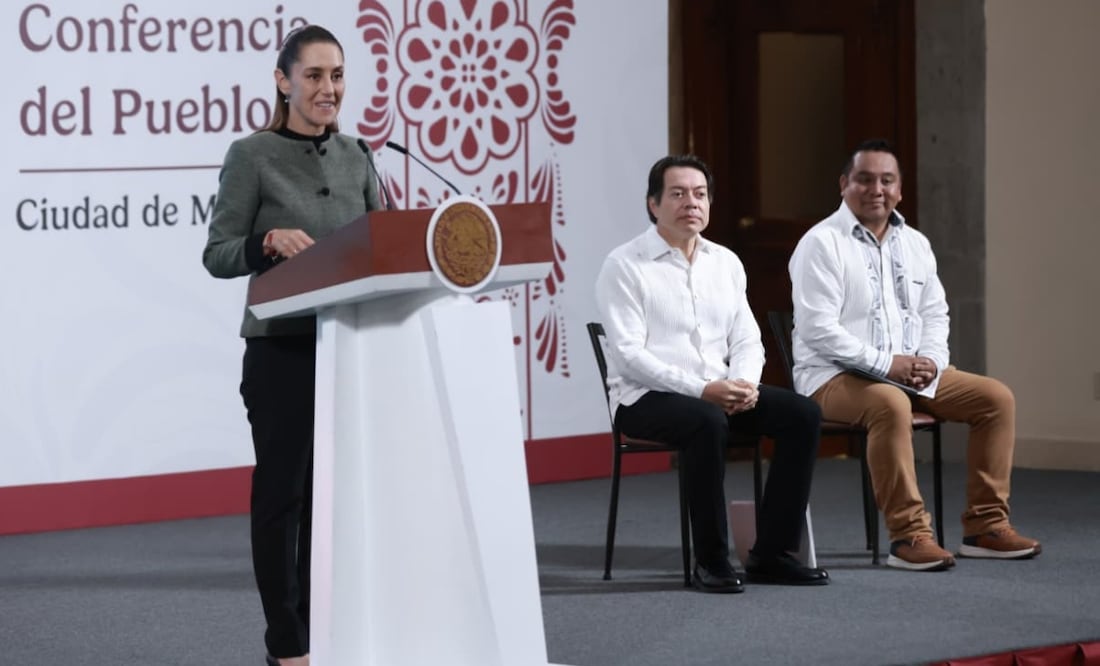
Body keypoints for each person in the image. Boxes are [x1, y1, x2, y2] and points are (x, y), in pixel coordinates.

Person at [202, 25, 382, 665]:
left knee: (338, 503)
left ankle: (325, 630)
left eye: (337, 75)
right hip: (283, 353)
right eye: (314, 76)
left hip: (351, 350)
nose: (329, 88)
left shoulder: (359, 154)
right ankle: (287, 642)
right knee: (285, 498)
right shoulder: (251, 155)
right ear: (283, 81)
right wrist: (268, 242)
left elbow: (384, 245)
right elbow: (218, 254)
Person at [788, 138, 1041, 572]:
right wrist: (889, 365)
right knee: (890, 404)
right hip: (832, 377)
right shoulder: (821, 243)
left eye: (887, 181)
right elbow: (818, 331)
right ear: (844, 184)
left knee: (995, 398)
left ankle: (985, 528)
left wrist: (931, 362)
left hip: (908, 374)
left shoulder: (915, 244)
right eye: (865, 179)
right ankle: (909, 536)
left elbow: (934, 313)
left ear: (900, 190)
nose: (876, 190)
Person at [595, 154, 829, 593]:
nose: (691, 203)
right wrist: (703, 390)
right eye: (678, 194)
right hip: (644, 398)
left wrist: (744, 384)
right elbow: (628, 356)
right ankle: (712, 561)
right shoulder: (624, 265)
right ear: (653, 204)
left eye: (700, 194)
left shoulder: (726, 262)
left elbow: (747, 338)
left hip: (719, 392)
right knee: (706, 421)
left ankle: (772, 554)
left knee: (802, 415)